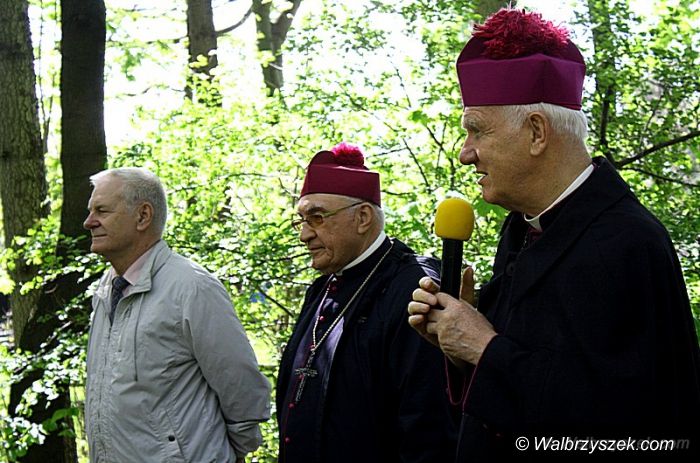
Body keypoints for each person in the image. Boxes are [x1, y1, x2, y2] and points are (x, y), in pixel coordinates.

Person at [408, 8, 700, 460]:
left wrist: (485, 348)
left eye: (477, 131)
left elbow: (632, 426)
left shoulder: (628, 243)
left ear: (537, 132)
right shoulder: (521, 229)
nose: (465, 154)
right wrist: (459, 340)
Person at [276, 142, 457, 463]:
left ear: (362, 217)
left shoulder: (414, 288)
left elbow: (427, 424)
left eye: (317, 218)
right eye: (301, 220)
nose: (304, 234)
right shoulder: (321, 289)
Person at [83, 167, 270, 463]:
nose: (89, 222)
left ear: (143, 216)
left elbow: (242, 387)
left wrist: (225, 453)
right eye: (91, 211)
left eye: (102, 211)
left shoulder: (192, 288)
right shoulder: (106, 291)